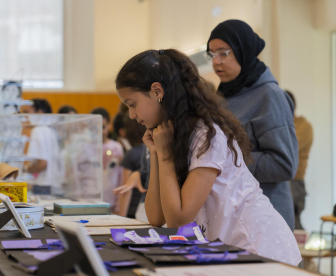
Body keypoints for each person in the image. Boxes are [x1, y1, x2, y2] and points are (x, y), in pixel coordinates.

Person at [115, 49, 301, 265]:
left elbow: (178, 220)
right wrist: (156, 152)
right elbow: (157, 217)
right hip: (231, 250)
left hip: (260, 249)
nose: (131, 115)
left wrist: (164, 153)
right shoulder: (169, 134)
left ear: (157, 91)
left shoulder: (207, 135)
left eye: (132, 104)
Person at [206, 20, 298, 231]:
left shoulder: (270, 96)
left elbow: (284, 164)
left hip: (265, 220)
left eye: (223, 53)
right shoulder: (224, 96)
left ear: (243, 51)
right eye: (211, 55)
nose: (216, 62)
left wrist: (227, 160)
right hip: (232, 216)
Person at [22, 99, 63, 195]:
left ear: (39, 112)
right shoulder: (51, 131)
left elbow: (43, 163)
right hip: (53, 185)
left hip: (42, 185)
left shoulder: (37, 130)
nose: (27, 116)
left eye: (28, 112)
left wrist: (24, 170)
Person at [286, 90, 313, 230]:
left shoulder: (303, 126)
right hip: (283, 181)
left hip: (294, 182)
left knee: (293, 225)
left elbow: (287, 149)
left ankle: (298, 252)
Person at [91, 107, 124, 213]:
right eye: (95, 128)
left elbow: (121, 176)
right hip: (91, 201)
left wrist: (119, 203)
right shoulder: (86, 148)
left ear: (109, 125)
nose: (100, 131)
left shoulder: (116, 147)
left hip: (111, 201)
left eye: (103, 127)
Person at [114, 116, 146, 217]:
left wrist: (121, 218)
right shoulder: (152, 151)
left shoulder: (131, 154)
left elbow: (125, 189)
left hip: (133, 210)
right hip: (147, 208)